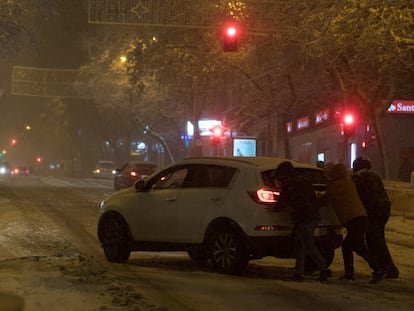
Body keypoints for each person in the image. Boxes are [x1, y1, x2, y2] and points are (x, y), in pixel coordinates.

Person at [269, 161, 331, 282]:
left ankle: (323, 268)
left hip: (304, 217)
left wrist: (274, 209)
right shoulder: (304, 181)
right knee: (301, 244)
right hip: (312, 215)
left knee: (306, 243)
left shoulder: (288, 184)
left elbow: (282, 202)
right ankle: (299, 272)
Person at [321, 163, 383, 283]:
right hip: (361, 218)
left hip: (354, 220)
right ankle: (351, 272)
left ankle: (377, 268)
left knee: (356, 247)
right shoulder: (348, 182)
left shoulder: (336, 186)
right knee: (351, 246)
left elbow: (325, 200)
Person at [352, 156, 399, 279]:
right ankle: (382, 267)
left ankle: (389, 268)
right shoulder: (374, 175)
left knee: (376, 240)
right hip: (383, 210)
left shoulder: (359, 178)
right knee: (375, 239)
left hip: (373, 211)